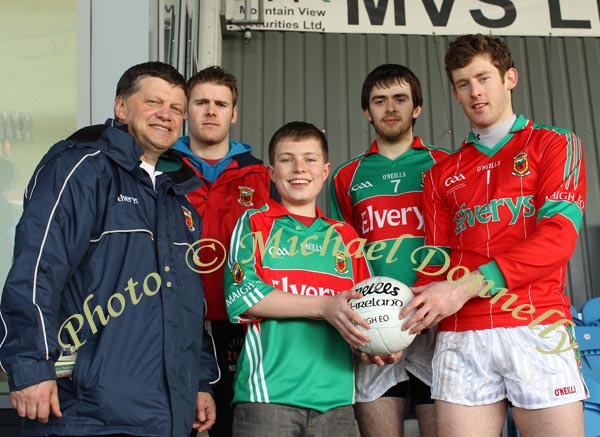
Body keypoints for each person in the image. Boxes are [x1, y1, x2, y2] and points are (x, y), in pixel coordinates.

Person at [0, 61, 219, 436]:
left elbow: (187, 301)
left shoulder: (178, 200)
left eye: (177, 109)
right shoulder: (81, 168)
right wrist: (30, 365)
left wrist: (199, 380)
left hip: (167, 416)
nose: (166, 116)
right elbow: (37, 269)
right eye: (153, 102)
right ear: (121, 107)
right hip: (86, 413)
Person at [400, 34, 588, 437]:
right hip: (461, 335)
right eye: (463, 83)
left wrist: (466, 286)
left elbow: (558, 237)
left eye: (483, 78)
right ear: (454, 93)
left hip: (537, 325)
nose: (475, 92)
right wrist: (396, 328)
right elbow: (434, 265)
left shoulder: (555, 144)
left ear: (510, 78)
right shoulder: (440, 174)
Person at [224, 121, 378, 436]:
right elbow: (243, 296)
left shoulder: (345, 236)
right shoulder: (254, 223)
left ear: (325, 170)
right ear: (270, 172)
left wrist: (378, 343)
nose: (299, 168)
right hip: (267, 401)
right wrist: (324, 306)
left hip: (337, 403)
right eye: (286, 159)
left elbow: (367, 309)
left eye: (309, 159)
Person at [329, 64, 449, 437]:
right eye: (379, 101)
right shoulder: (347, 176)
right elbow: (342, 257)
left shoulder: (444, 164)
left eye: (400, 99)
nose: (390, 108)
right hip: (374, 323)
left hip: (435, 321)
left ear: (417, 108)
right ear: (367, 111)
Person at [172, 65, 275, 437]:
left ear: (234, 113)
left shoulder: (262, 176)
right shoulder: (159, 169)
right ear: (186, 110)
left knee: (236, 425)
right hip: (174, 321)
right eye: (201, 102)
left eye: (220, 103)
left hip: (242, 325)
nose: (211, 111)